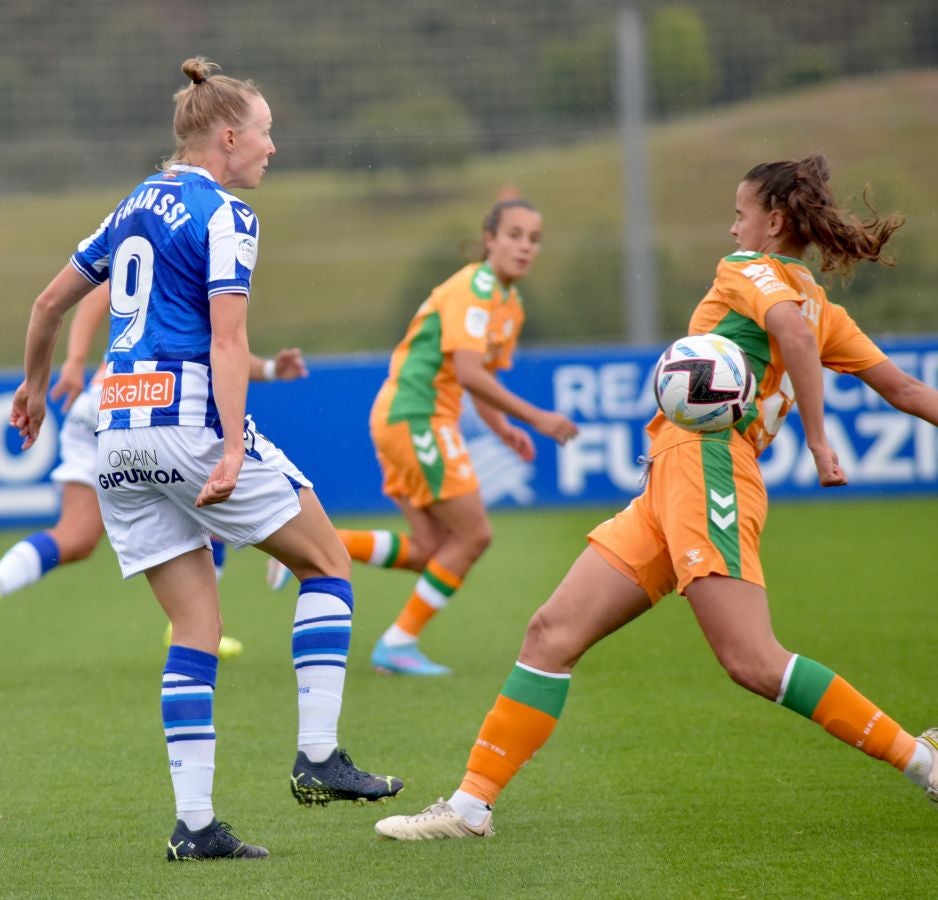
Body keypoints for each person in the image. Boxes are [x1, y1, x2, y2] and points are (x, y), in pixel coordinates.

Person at [375, 153, 938, 840]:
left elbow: (788, 330)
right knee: (551, 633)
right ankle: (469, 808)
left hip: (709, 468)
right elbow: (907, 392)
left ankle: (923, 763)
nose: (731, 229)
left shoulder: (750, 273)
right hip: (673, 476)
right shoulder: (825, 309)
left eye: (739, 214)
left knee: (753, 661)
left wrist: (818, 440)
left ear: (774, 221)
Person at [8, 57, 404, 861]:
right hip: (186, 420)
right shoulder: (227, 215)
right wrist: (229, 445)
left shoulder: (130, 205)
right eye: (265, 133)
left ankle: (195, 827)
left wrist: (33, 387)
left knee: (196, 623)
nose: (272, 148)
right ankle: (320, 756)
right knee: (327, 565)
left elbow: (50, 302)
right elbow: (228, 338)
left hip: (115, 431)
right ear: (227, 137)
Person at [268, 199, 577, 677]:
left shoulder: (508, 305)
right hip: (417, 417)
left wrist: (503, 429)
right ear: (489, 238)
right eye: (514, 234)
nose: (524, 247)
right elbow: (471, 374)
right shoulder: (476, 288)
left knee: (430, 551)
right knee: (474, 534)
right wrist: (538, 418)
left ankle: (307, 545)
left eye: (533, 239)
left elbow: (480, 380)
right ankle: (397, 643)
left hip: (411, 418)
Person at [0, 282, 308, 658]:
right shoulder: (200, 264)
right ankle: (192, 625)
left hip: (101, 401)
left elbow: (91, 292)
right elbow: (223, 349)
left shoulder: (144, 257)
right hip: (149, 410)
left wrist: (75, 360)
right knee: (215, 490)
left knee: (75, 537)